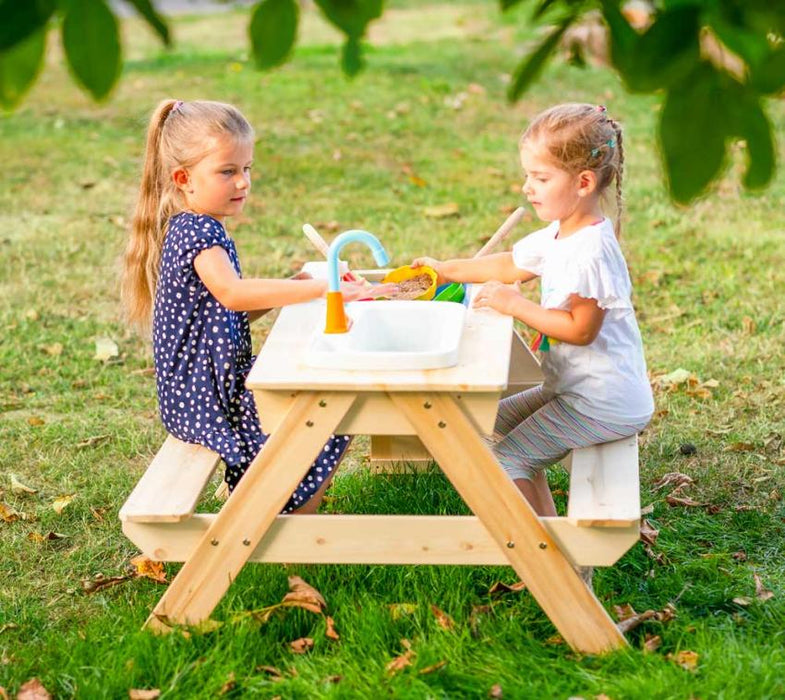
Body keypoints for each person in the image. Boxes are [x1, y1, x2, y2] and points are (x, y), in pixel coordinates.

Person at [121, 99, 390, 513]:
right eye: (227, 171)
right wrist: (320, 289)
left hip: (207, 386)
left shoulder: (197, 224)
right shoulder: (198, 232)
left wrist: (296, 284)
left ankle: (285, 511)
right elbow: (233, 294)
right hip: (207, 398)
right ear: (183, 178)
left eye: (246, 169)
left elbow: (226, 311)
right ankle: (288, 519)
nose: (243, 182)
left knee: (323, 401)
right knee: (328, 412)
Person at [413, 103, 654, 518]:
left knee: (504, 460)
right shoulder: (563, 232)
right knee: (482, 420)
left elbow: (580, 330)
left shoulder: (590, 251)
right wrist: (445, 270)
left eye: (541, 178)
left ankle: (549, 558)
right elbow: (510, 264)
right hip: (574, 389)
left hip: (602, 402)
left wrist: (516, 305)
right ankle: (550, 536)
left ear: (582, 182)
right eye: (528, 175)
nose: (528, 187)